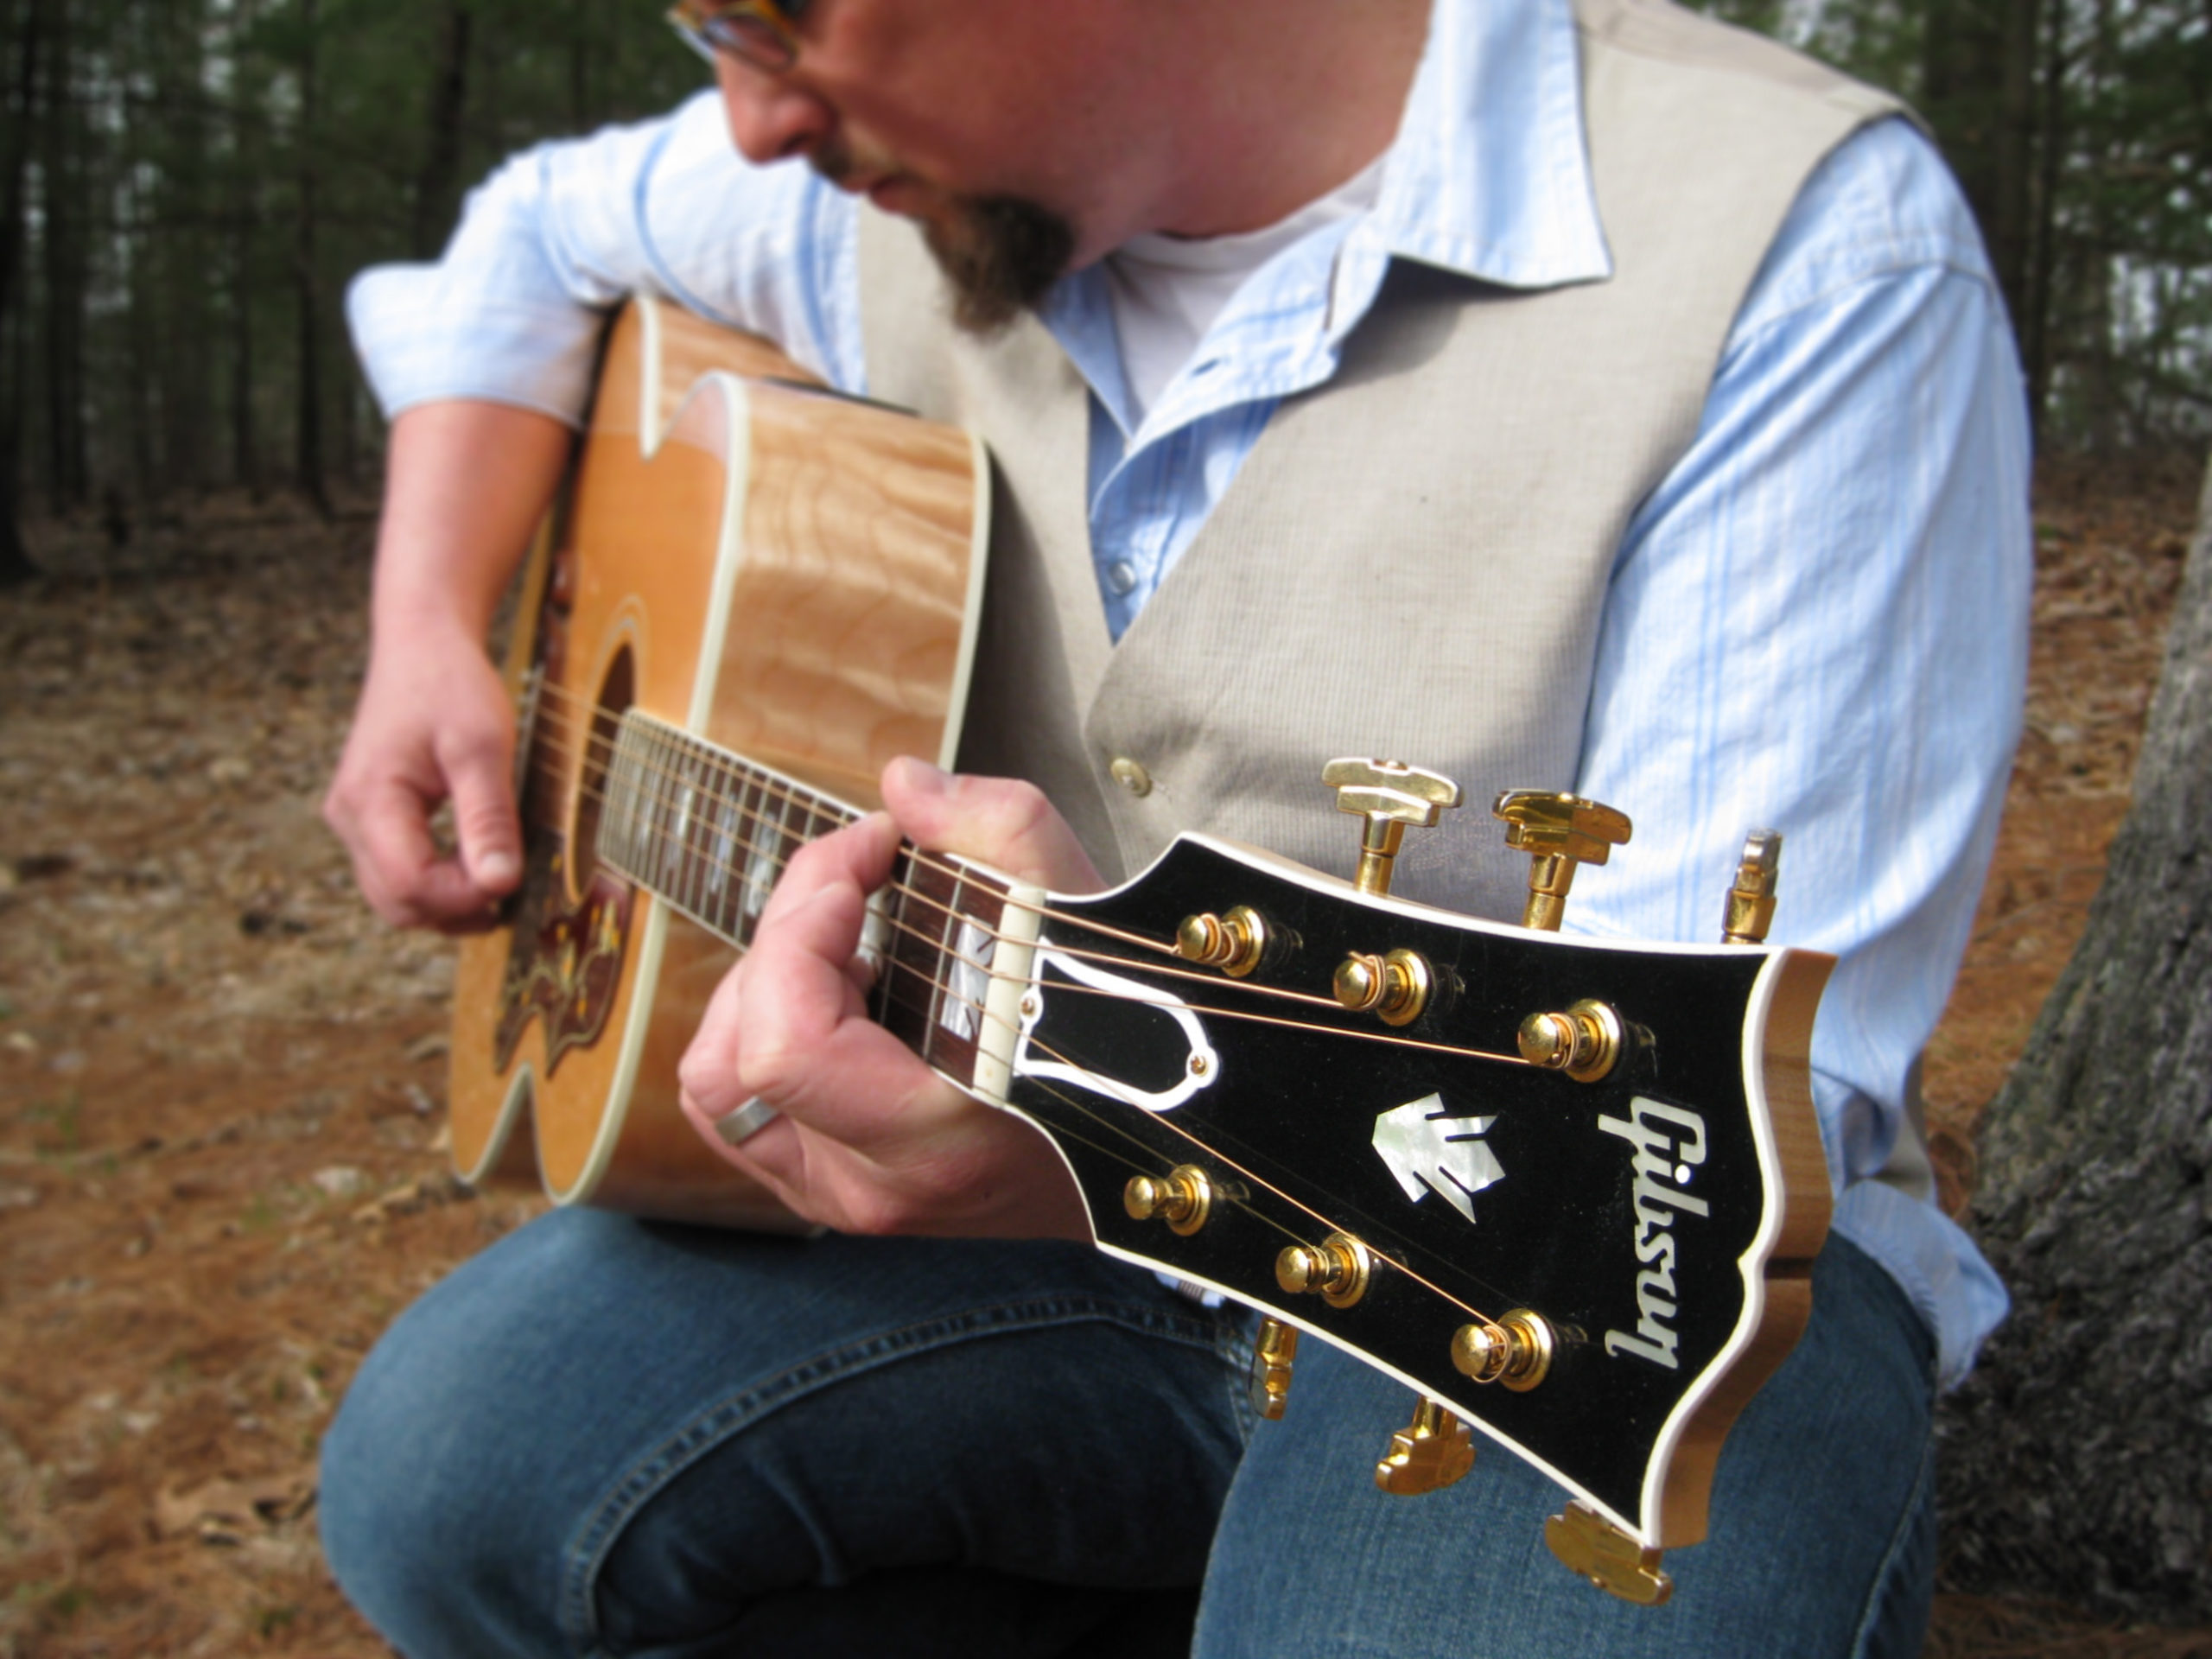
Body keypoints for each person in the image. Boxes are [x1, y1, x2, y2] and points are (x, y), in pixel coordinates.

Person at [315, 0, 2031, 1651]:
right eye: (710, 38)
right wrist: (427, 637)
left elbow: (1674, 1161)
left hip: (1580, 1309)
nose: (755, 116)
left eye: (778, 17)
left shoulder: (1782, 245)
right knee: (452, 1480)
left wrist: (1104, 1154)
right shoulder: (845, 194)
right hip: (1028, 1260)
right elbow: (525, 243)